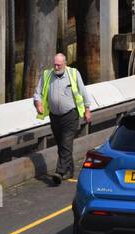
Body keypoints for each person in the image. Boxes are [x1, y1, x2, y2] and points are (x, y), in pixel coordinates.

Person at [34, 53, 94, 186]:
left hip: (70, 115)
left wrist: (87, 109)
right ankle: (69, 171)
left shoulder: (73, 73)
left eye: (59, 65)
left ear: (65, 64)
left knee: (66, 142)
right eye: (54, 64)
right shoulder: (47, 75)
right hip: (54, 116)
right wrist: (38, 104)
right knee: (62, 144)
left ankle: (59, 173)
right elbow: (37, 93)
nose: (56, 67)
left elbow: (83, 91)